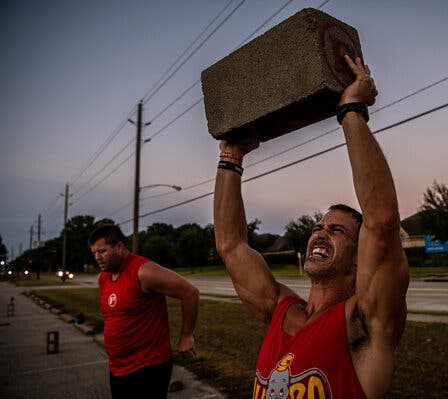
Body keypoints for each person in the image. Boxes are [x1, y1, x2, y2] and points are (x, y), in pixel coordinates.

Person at [214, 55, 409, 399]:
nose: (320, 232)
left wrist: (351, 108)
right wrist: (231, 155)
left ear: (358, 260)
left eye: (337, 230)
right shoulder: (280, 308)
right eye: (319, 226)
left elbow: (382, 223)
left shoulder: (363, 324)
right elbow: (230, 247)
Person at [88, 224, 199, 399]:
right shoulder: (103, 278)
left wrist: (186, 335)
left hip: (148, 366)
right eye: (94, 253)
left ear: (119, 246)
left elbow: (190, 293)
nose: (97, 257)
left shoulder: (144, 271)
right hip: (117, 368)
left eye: (102, 251)